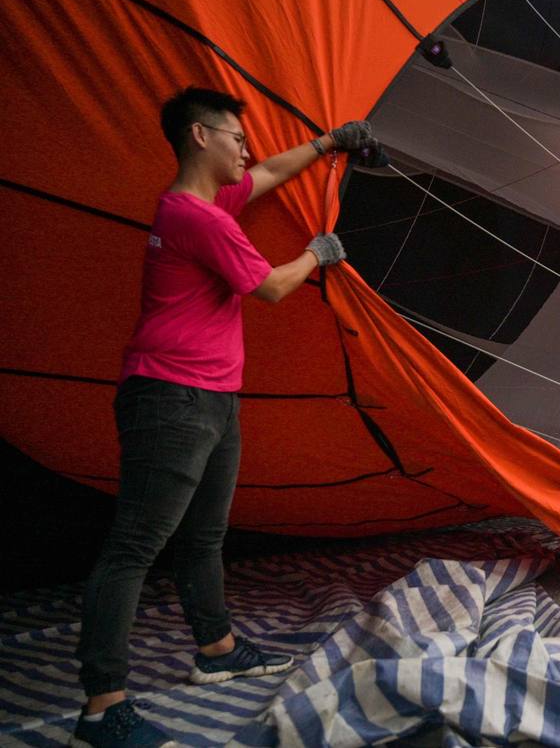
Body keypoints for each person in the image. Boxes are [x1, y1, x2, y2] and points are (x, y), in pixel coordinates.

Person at [72, 87, 385, 747]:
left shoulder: (206, 203)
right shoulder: (197, 217)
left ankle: (215, 649)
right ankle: (103, 707)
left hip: (211, 397)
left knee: (205, 538)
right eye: (236, 137)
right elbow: (270, 287)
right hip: (170, 397)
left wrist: (330, 143)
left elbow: (269, 174)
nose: (248, 149)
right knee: (134, 546)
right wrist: (318, 254)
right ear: (199, 137)